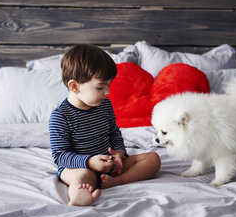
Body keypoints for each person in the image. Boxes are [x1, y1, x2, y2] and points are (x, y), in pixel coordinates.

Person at [49, 44, 161, 206]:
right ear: (74, 86)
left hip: (109, 164)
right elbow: (60, 156)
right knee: (83, 178)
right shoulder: (60, 116)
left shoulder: (105, 105)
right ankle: (79, 198)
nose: (107, 92)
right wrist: (89, 162)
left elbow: (114, 132)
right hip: (80, 167)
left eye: (108, 85)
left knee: (153, 159)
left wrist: (119, 154)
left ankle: (116, 181)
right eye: (101, 87)